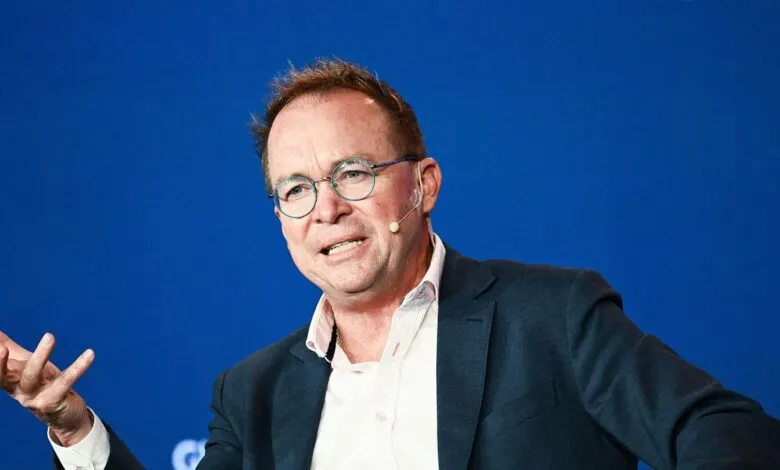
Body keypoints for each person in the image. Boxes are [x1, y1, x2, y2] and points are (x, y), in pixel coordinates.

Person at [2, 58, 779, 470]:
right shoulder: (252, 392)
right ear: (280, 219)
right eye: (297, 191)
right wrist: (73, 429)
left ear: (423, 184)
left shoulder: (554, 316)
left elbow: (729, 434)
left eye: (354, 174)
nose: (328, 210)